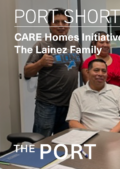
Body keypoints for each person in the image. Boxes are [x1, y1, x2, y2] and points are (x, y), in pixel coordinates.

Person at [24, 8, 82, 137]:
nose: (61, 25)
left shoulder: (75, 44)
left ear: (69, 25)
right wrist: (40, 63)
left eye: (64, 22)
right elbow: (27, 72)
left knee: (65, 142)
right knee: (41, 142)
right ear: (50, 25)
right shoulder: (41, 44)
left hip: (70, 104)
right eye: (56, 22)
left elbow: (81, 69)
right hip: (47, 104)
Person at [66, 59, 120, 132]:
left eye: (104, 71)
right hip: (90, 137)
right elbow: (73, 122)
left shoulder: (116, 90)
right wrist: (92, 136)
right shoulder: (78, 93)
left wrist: (111, 134)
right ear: (88, 72)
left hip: (117, 134)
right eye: (96, 70)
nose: (100, 74)